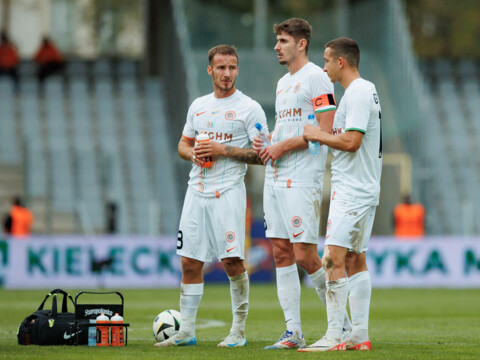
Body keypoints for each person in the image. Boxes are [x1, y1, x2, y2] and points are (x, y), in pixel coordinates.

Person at [154, 44, 267, 348]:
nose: (227, 73)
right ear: (210, 70)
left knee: (232, 261)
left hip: (228, 192)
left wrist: (223, 150)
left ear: (237, 70)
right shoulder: (198, 106)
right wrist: (192, 153)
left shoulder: (250, 108)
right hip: (196, 192)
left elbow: (263, 155)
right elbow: (182, 144)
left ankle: (238, 332)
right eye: (221, 68)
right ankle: (186, 331)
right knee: (190, 263)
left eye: (232, 67)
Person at [253, 18, 350, 350]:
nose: (277, 46)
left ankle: (344, 326)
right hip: (276, 175)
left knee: (306, 255)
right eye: (277, 40)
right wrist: (269, 141)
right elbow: (288, 125)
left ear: (301, 43)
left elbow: (324, 129)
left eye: (282, 40)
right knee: (281, 252)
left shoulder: (318, 78)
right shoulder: (283, 83)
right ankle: (293, 332)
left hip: (303, 177)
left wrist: (282, 146)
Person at [300, 37, 382, 352]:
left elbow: (351, 142)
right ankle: (359, 336)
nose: (324, 66)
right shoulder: (362, 91)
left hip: (353, 190)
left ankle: (334, 336)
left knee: (332, 258)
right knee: (354, 258)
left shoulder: (358, 92)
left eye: (327, 60)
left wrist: (318, 134)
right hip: (362, 187)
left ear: (341, 62)